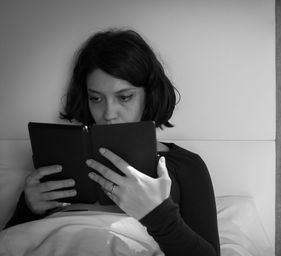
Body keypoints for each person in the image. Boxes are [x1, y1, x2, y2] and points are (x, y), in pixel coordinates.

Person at [5, 28, 220, 255]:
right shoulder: (60, 154)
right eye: (96, 98)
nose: (109, 113)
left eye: (124, 97)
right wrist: (27, 208)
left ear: (149, 95)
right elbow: (14, 239)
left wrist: (158, 215)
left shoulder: (185, 166)